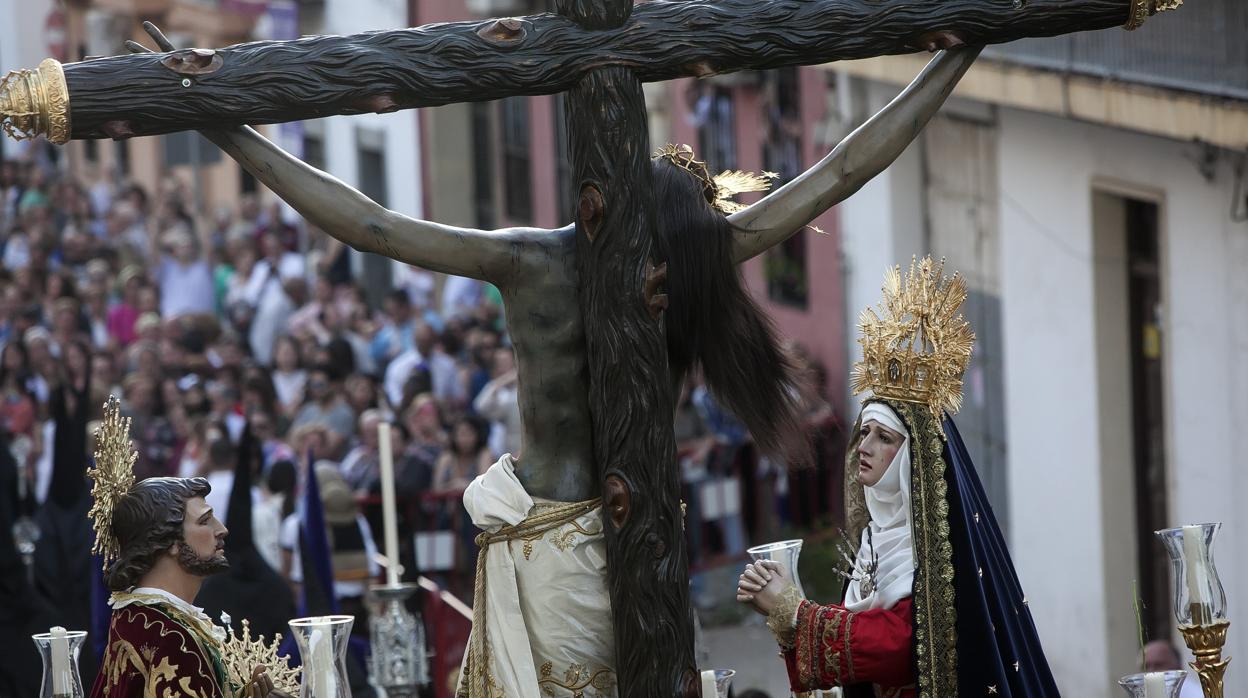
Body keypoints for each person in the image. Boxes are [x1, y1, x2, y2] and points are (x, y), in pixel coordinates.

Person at [738, 258, 1059, 697]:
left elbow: (902, 645)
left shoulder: (937, 544)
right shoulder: (876, 535)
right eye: (863, 432)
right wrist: (786, 613)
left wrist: (796, 611)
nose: (863, 447)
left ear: (915, 457)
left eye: (884, 437)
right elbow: (862, 631)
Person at [88, 397, 292, 697]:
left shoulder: (144, 620)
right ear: (169, 541)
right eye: (205, 521)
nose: (221, 530)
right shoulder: (170, 637)